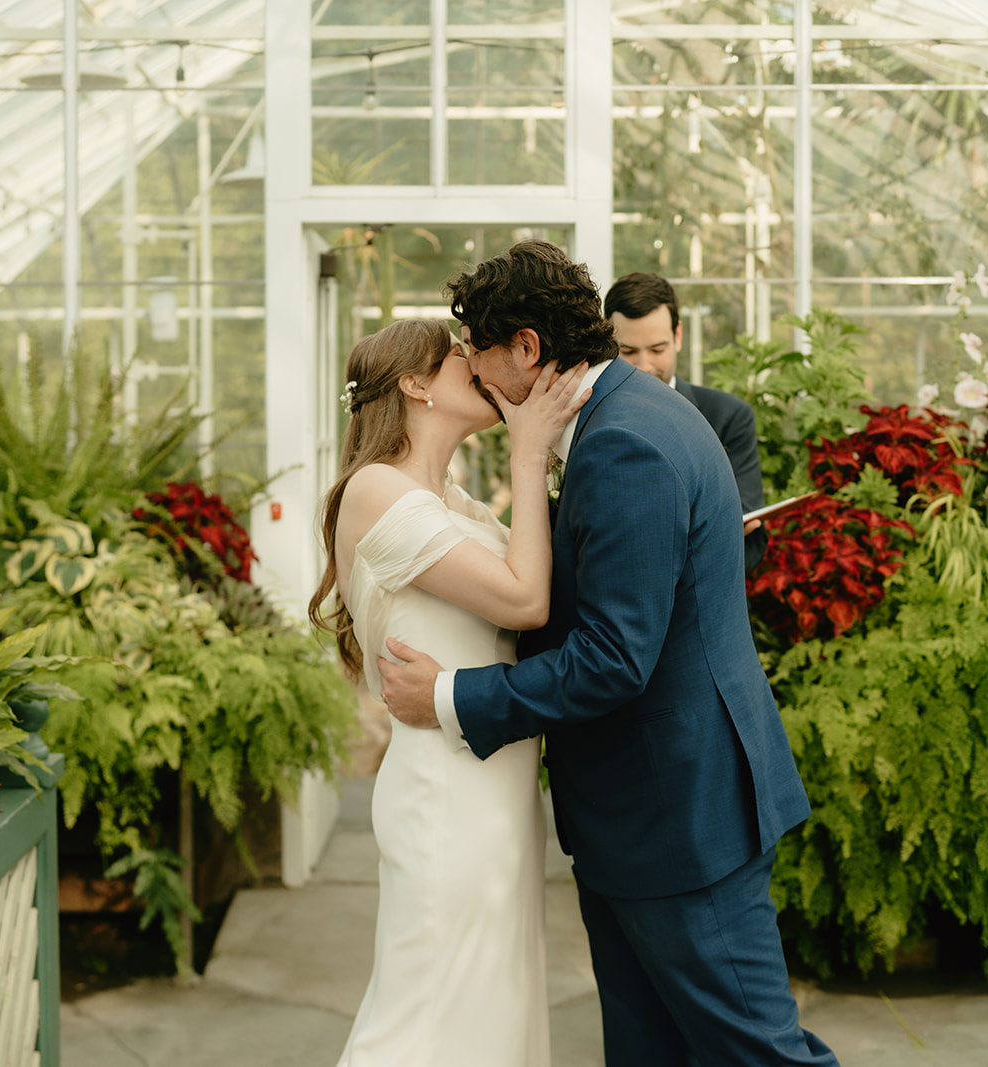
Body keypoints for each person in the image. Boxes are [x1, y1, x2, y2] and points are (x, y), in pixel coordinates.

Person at [379, 241, 838, 1067]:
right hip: (647, 819)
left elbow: (613, 658)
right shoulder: (617, 416)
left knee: (761, 1056)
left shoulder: (624, 440)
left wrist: (453, 696)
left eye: (478, 355)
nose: (475, 375)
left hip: (680, 819)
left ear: (524, 349)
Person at [308, 318, 589, 1067]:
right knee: (425, 1015)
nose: (478, 366)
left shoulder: (460, 504)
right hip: (442, 796)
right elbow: (526, 599)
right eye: (459, 357)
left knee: (494, 1009)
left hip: (498, 792)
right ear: (416, 383)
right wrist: (529, 453)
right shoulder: (374, 490)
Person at [605, 271, 768, 572]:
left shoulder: (728, 418)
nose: (644, 366)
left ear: (678, 337)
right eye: (628, 352)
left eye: (657, 349)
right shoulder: (587, 417)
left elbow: (751, 539)